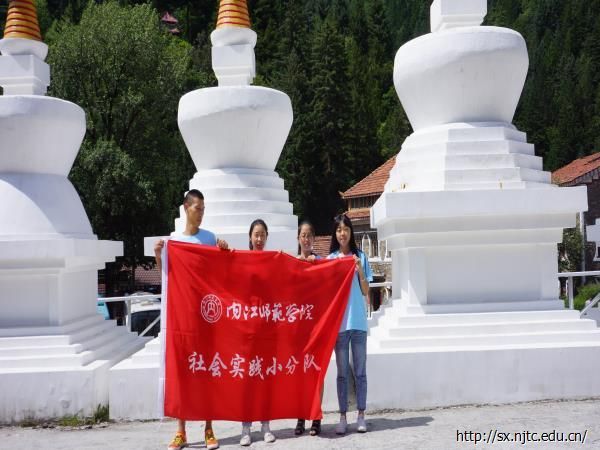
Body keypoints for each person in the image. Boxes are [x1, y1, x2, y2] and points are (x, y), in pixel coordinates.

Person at [154, 189, 229, 450]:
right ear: (186, 208)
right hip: (183, 318)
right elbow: (167, 278)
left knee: (207, 372)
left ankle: (209, 428)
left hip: (206, 316)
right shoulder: (174, 241)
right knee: (183, 373)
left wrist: (222, 250)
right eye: (198, 208)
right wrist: (158, 257)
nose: (201, 213)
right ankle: (181, 431)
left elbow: (222, 272)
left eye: (203, 209)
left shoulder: (209, 238)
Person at [327, 214, 372, 435]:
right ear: (335, 234)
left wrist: (359, 270)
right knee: (342, 373)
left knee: (360, 372)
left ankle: (361, 415)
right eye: (338, 230)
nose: (342, 233)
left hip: (359, 323)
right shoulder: (331, 259)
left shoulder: (360, 256)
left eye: (345, 229)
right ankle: (343, 416)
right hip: (340, 324)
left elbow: (365, 291)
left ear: (351, 232)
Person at [240, 219, 277, 446]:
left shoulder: (273, 261)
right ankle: (246, 428)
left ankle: (266, 425)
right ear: (250, 237)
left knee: (264, 379)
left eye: (263, 234)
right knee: (247, 380)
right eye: (256, 234)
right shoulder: (242, 260)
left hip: (267, 328)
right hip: (247, 330)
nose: (259, 238)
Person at [294, 220, 322, 436]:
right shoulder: (292, 262)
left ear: (314, 239)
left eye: (309, 235)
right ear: (298, 238)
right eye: (303, 235)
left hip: (317, 326)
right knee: (299, 375)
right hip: (297, 328)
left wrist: (316, 265)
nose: (306, 239)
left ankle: (316, 418)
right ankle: (301, 416)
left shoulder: (320, 262)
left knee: (316, 373)